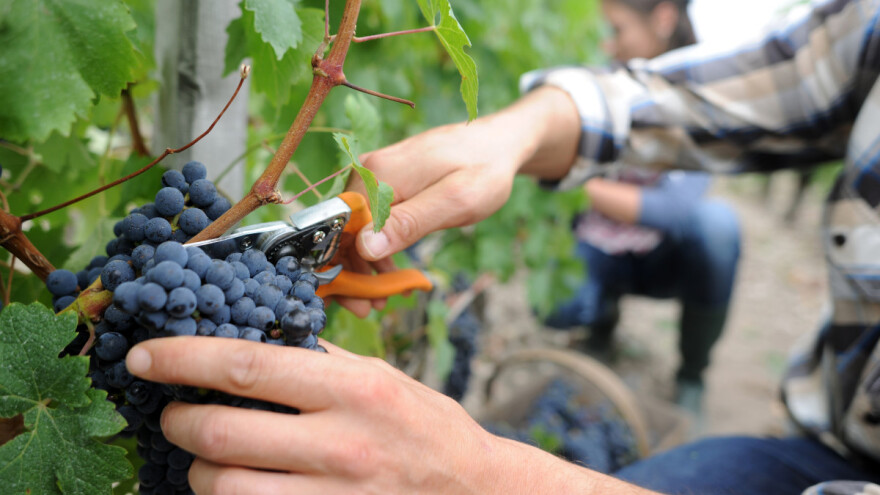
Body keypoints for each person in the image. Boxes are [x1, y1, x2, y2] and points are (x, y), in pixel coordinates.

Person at [124, 0, 880, 492]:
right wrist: (513, 135)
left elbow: (674, 201)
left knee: (710, 233)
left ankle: (689, 367)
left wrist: (480, 475)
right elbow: (752, 86)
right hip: (823, 436)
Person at [543, 0, 741, 418]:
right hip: (598, 243)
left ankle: (692, 373)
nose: (606, 42)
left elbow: (671, 210)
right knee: (558, 306)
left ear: (664, 18)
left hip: (661, 257)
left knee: (718, 226)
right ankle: (602, 320)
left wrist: (578, 179)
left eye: (617, 28)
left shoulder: (703, 93)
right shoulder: (599, 76)